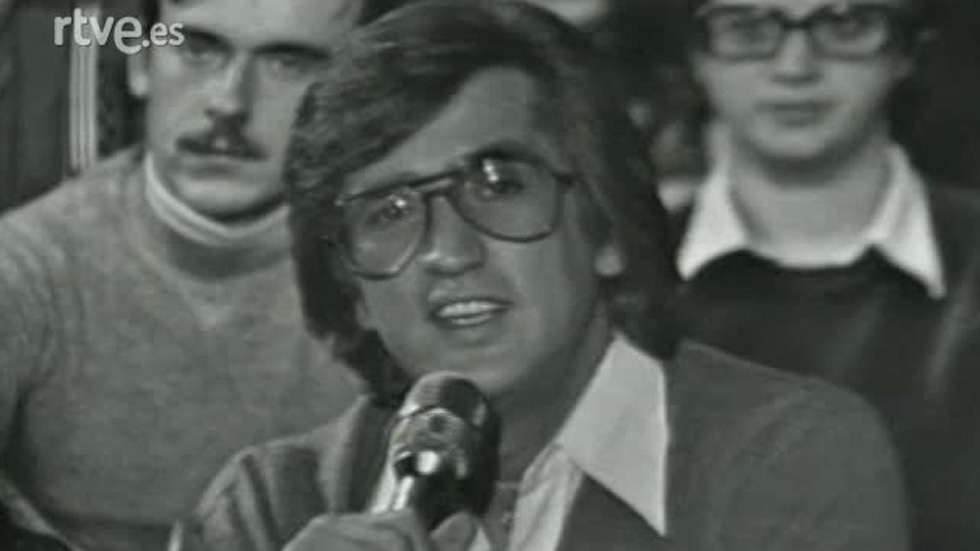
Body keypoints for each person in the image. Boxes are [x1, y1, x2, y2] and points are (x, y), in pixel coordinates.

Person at [170, 2, 908, 550]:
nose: (447, 251)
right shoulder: (268, 506)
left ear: (605, 226)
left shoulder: (788, 455)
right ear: (353, 290)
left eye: (497, 184)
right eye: (388, 211)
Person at [0, 0, 408, 549]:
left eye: (288, 63)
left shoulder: (398, 275)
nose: (228, 102)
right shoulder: (22, 269)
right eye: (197, 49)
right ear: (140, 64)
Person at [670, 0, 980, 549]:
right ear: (696, 55)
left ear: (907, 50)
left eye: (846, 24)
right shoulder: (612, 282)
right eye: (747, 27)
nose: (795, 66)